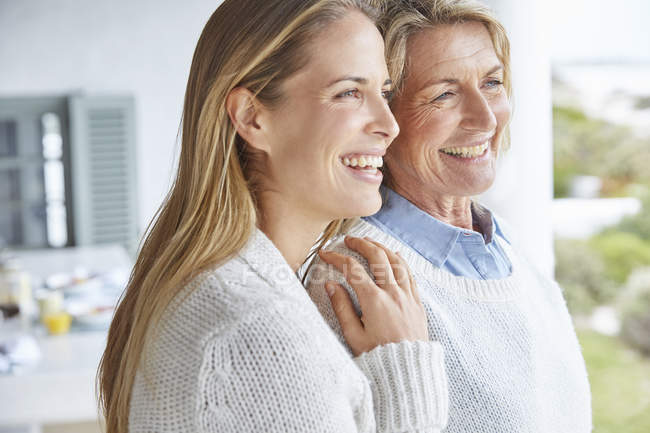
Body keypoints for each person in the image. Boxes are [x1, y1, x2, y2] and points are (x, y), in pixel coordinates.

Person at [97, 0, 450, 432]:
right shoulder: (258, 334)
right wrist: (404, 370)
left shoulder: (219, 287)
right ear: (252, 117)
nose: (388, 124)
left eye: (384, 92)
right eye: (348, 93)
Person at [307, 0, 593, 431]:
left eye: (492, 83)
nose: (485, 119)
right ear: (382, 117)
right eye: (444, 94)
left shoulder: (507, 246)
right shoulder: (354, 278)